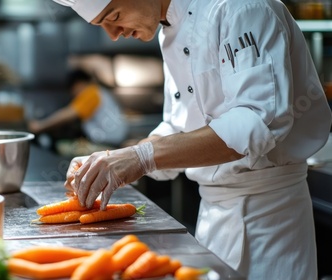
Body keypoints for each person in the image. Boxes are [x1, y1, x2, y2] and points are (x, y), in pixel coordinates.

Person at [54, 0, 332, 279]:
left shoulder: (240, 8)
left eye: (114, 16)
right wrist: (116, 162)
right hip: (212, 218)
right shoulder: (170, 29)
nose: (113, 34)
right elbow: (180, 128)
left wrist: (142, 158)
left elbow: (258, 121)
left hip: (270, 222)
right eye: (101, 24)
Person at [28, 68, 128, 147]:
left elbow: (68, 114)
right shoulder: (99, 92)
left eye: (72, 89)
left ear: (79, 84)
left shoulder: (91, 92)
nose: (73, 94)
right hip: (111, 140)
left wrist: (40, 126)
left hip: (107, 142)